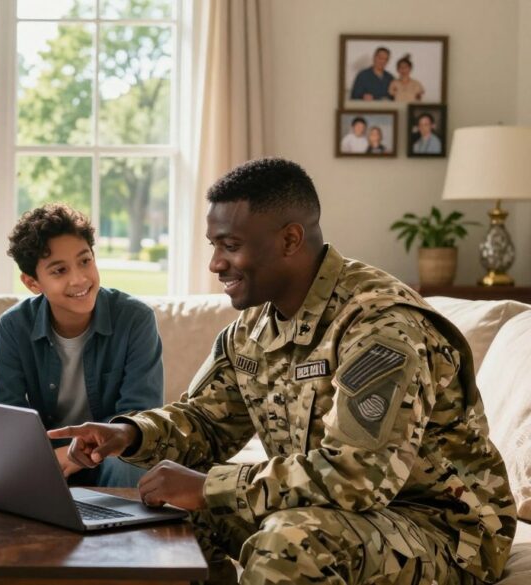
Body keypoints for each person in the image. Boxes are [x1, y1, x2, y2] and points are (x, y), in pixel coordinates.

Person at [50, 158, 515, 584]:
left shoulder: (381, 327)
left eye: (230, 246)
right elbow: (208, 421)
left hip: (444, 531)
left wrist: (211, 486)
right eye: (214, 246)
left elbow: (357, 476)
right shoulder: (254, 324)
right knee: (170, 516)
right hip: (340, 514)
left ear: (290, 239)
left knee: (290, 542)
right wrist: (128, 434)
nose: (215, 264)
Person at [0, 204, 163, 488]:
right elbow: (6, 415)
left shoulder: (135, 319)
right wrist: (51, 457)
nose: (79, 279)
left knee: (131, 465)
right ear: (32, 282)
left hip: (111, 453)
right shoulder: (14, 325)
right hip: (45, 458)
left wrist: (77, 455)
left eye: (85, 261)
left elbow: (139, 413)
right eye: (59, 270)